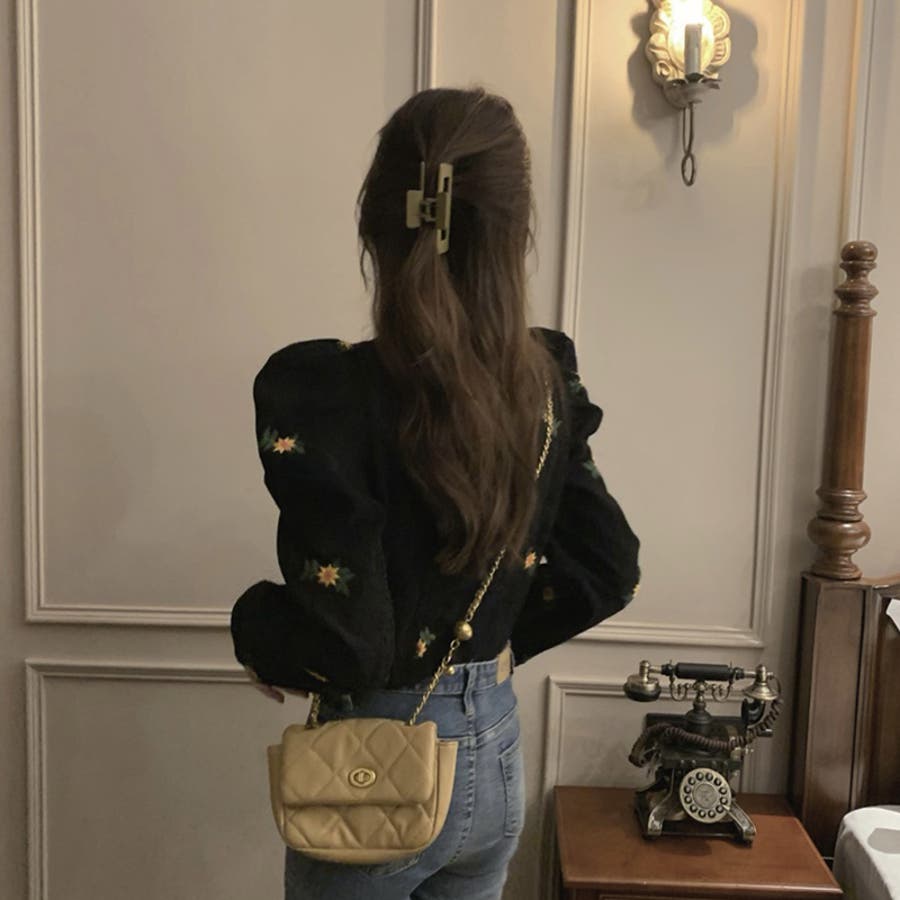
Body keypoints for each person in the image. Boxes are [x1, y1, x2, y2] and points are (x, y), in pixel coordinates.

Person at [230, 86, 641, 900]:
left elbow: (349, 641)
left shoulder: (330, 394)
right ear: (515, 233)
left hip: (376, 759)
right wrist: (481, 652)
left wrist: (256, 629)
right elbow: (607, 567)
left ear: (375, 225)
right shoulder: (543, 387)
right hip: (494, 749)